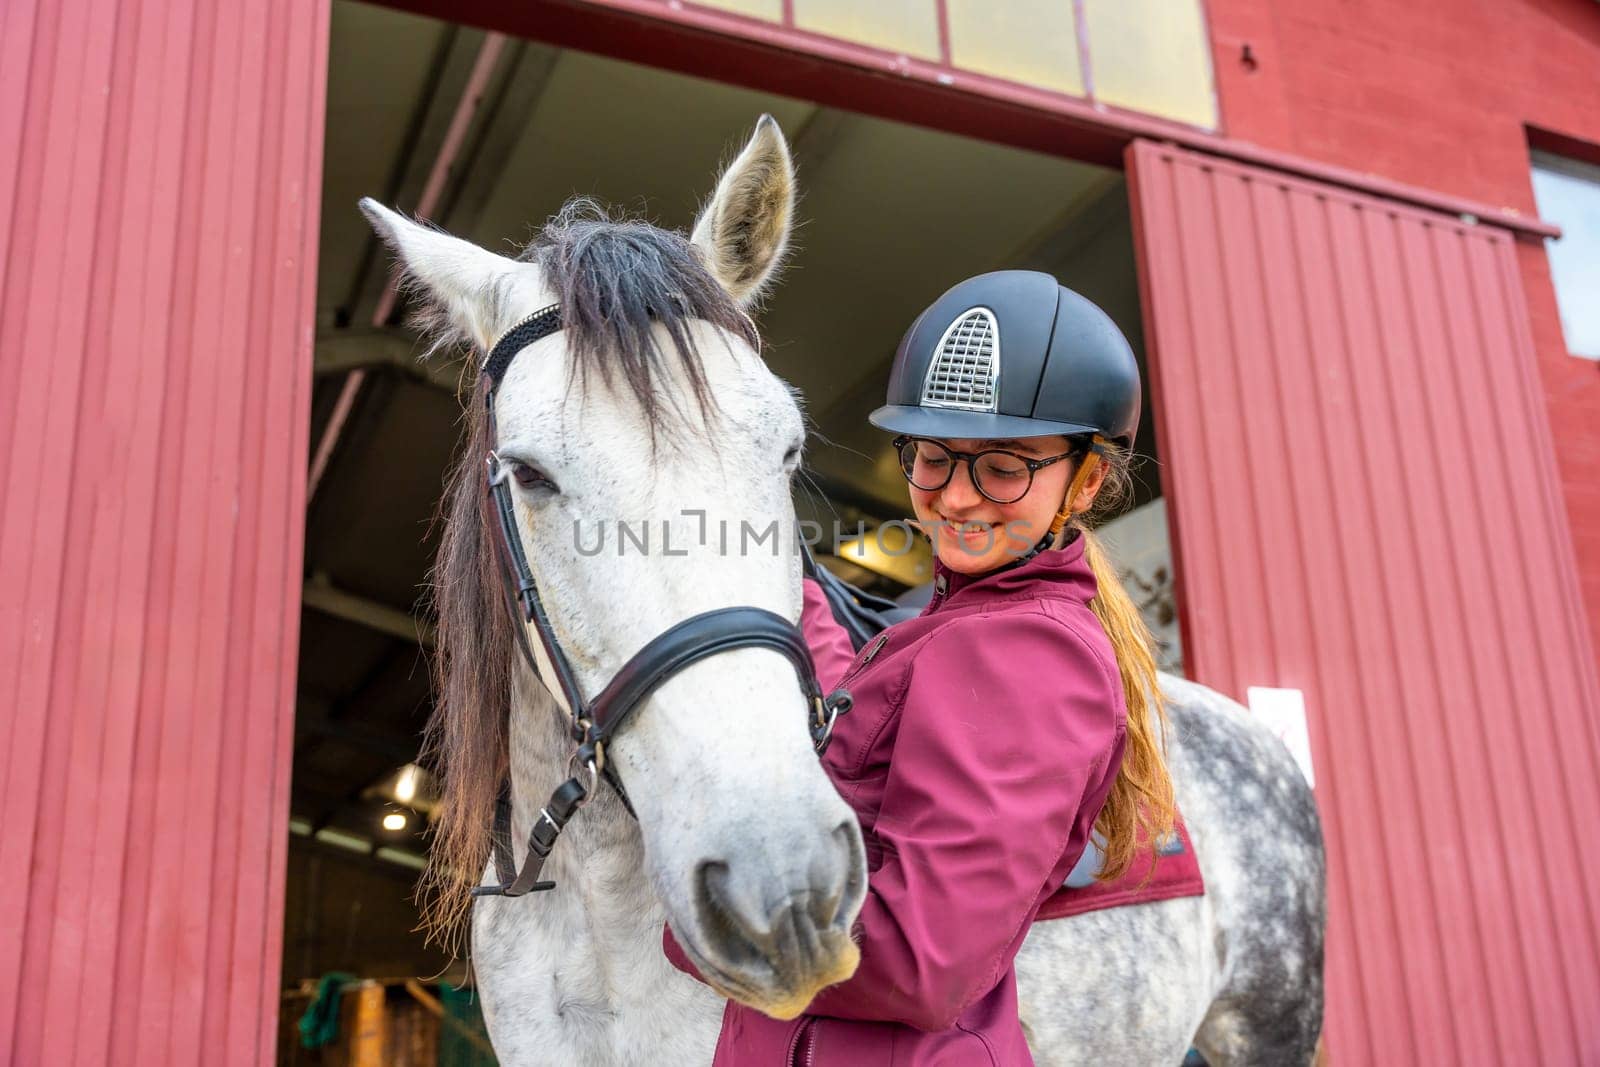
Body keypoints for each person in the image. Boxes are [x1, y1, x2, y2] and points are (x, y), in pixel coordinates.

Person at [667, 270, 1177, 1065]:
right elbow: (859, 722)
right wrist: (782, 587)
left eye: (1003, 467)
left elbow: (919, 961)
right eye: (933, 457)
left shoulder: (1032, 654)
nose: (958, 498)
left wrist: (703, 916)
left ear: (1087, 479)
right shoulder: (955, 622)